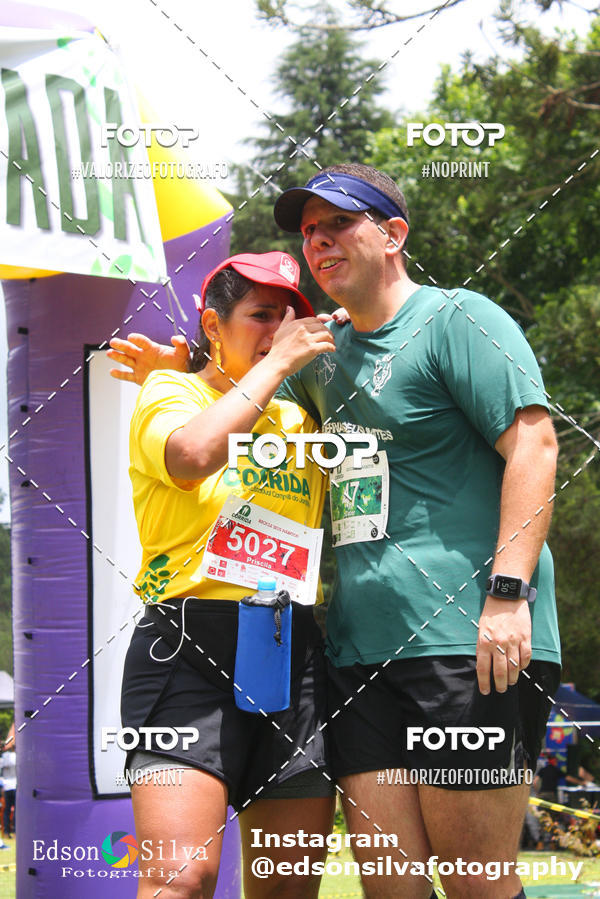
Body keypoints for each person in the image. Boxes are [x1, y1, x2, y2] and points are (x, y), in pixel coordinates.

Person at [113, 165, 561, 899]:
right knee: (388, 885)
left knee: (475, 879)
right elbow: (220, 411)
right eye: (310, 230)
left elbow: (536, 445)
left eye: (340, 224)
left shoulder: (455, 319)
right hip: (351, 659)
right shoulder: (313, 364)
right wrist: (185, 365)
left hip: (464, 640)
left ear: (393, 235)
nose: (320, 241)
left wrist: (508, 591)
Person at [111, 252, 337, 898]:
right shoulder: (170, 391)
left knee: (286, 886)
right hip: (184, 649)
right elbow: (190, 456)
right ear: (213, 323)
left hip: (288, 651)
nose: (280, 330)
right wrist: (262, 364)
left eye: (291, 315)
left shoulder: (303, 413)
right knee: (181, 876)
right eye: (261, 315)